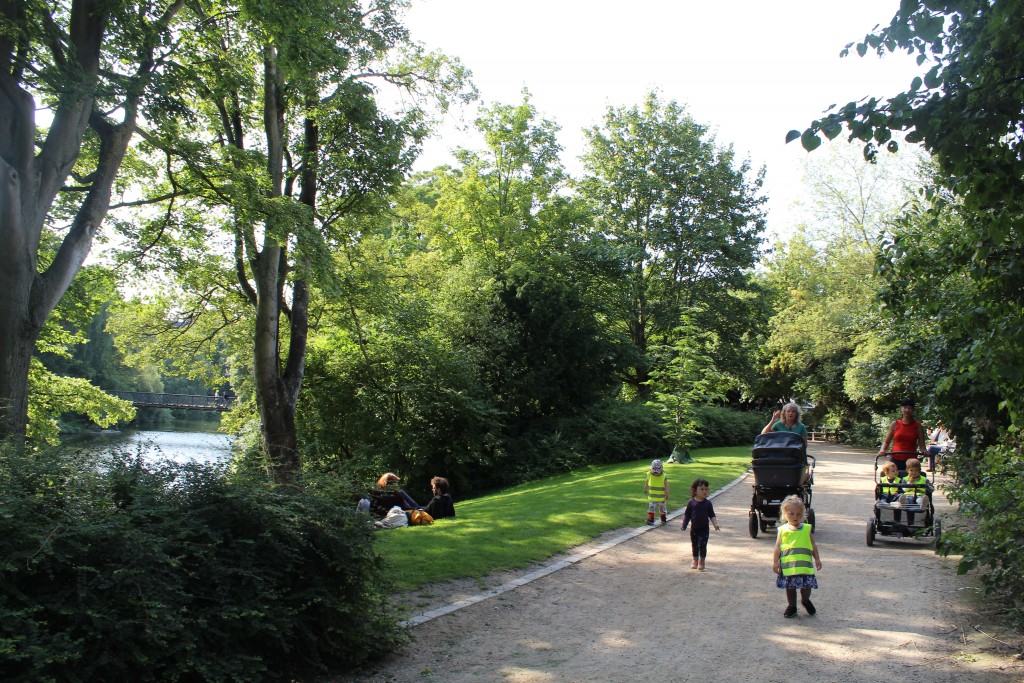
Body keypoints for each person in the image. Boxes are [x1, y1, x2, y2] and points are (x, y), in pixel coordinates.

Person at [772, 494, 822, 618]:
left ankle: (805, 600)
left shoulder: (806, 529)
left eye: (799, 514)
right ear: (785, 514)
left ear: (803, 514)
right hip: (789, 567)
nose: (795, 517)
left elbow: (813, 545)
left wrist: (817, 558)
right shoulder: (783, 530)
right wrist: (775, 562)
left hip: (804, 566)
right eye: (791, 514)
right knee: (790, 587)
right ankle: (792, 606)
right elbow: (777, 547)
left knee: (806, 586)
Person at [878, 398, 928, 472]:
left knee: (912, 480)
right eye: (905, 407)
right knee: (890, 479)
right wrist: (882, 450)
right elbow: (886, 442)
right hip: (895, 459)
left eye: (909, 408)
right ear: (901, 409)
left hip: (911, 461)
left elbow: (922, 446)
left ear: (913, 410)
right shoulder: (895, 424)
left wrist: (925, 451)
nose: (907, 410)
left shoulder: (918, 426)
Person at [681, 477, 720, 571]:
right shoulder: (691, 503)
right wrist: (684, 524)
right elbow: (687, 515)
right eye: (702, 489)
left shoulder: (708, 503)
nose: (704, 491)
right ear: (695, 490)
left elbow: (712, 515)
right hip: (694, 529)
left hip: (704, 529)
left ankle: (702, 561)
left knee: (702, 545)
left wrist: (715, 524)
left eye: (706, 489)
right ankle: (695, 559)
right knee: (694, 545)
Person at [899, 458, 933, 527]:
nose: (914, 472)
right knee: (907, 499)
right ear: (907, 471)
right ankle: (903, 504)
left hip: (920, 495)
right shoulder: (905, 479)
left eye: (916, 470)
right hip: (909, 495)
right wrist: (909, 483)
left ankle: (923, 504)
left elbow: (932, 489)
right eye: (911, 470)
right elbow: (904, 489)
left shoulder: (924, 479)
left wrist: (927, 487)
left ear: (919, 471)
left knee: (920, 500)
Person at [644, 459, 669, 526]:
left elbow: (666, 484)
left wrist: (667, 492)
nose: (655, 471)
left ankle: (663, 520)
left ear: (661, 468)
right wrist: (645, 487)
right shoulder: (649, 474)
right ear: (651, 468)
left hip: (661, 497)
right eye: (654, 468)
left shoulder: (664, 476)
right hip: (652, 497)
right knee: (651, 508)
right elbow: (646, 481)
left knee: (662, 509)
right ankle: (651, 520)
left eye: (657, 469)